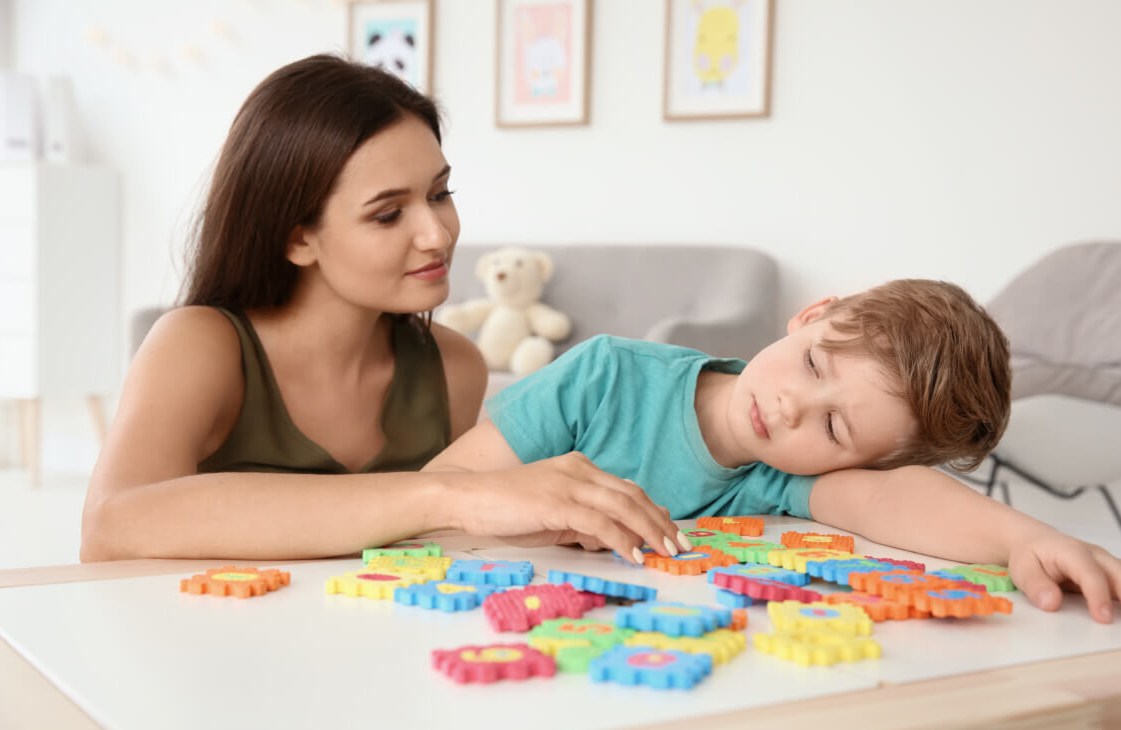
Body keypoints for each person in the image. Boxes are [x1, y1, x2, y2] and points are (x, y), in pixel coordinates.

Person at [80, 54, 684, 564]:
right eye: (388, 214)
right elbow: (109, 529)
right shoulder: (200, 343)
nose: (437, 234)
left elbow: (422, 547)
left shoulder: (453, 366)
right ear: (297, 238)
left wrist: (526, 523)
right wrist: (449, 496)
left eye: (440, 194)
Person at [425, 280, 1121, 626]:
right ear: (813, 315)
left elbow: (896, 500)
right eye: (816, 365)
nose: (790, 408)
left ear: (852, 463)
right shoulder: (608, 375)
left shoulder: (782, 476)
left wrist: (1029, 539)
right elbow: (437, 490)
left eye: (835, 431)